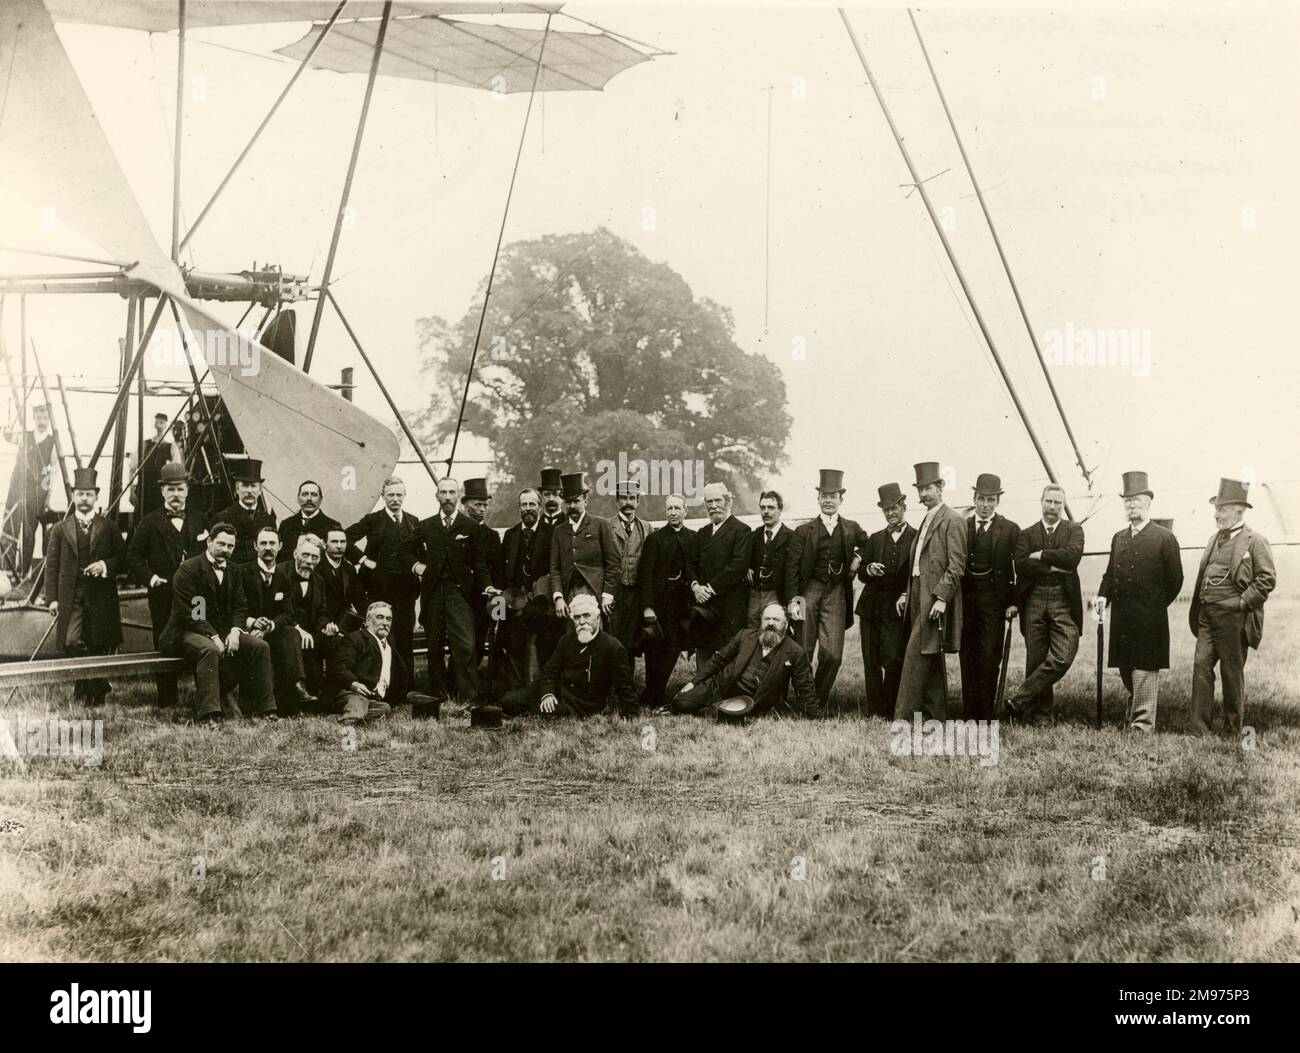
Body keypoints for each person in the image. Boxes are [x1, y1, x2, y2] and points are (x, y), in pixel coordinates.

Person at [1091, 472, 1183, 732]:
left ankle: (1142, 726)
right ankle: (1134, 716)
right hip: (1122, 617)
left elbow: (1175, 579)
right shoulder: (1118, 538)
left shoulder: (1164, 538)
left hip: (1149, 618)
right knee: (1126, 669)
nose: (1132, 505)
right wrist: (1100, 599)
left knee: (1145, 669)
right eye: (1128, 501)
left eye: (1137, 500)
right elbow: (1109, 574)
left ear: (1148, 503)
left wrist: (1154, 606)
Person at [159, 522, 278, 723]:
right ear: (209, 542)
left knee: (260, 646)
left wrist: (235, 631)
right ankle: (209, 715)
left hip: (222, 632)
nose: (225, 550)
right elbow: (193, 614)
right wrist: (213, 636)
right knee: (209, 650)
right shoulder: (189, 569)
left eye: (230, 546)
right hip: (186, 632)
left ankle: (267, 710)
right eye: (221, 544)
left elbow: (240, 606)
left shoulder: (234, 570)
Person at [1188, 478, 1277, 735]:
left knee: (1231, 671)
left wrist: (1241, 603)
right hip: (1207, 615)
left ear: (1239, 510)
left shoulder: (1255, 541)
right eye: (1216, 508)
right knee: (1201, 667)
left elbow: (1267, 579)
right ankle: (1199, 731)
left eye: (1222, 509)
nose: (1216, 514)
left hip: (1234, 618)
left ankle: (1231, 730)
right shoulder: (1213, 539)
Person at [126, 461, 210, 707]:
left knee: (201, 636)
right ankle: (167, 699)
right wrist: (150, 577)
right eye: (170, 489)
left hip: (197, 597)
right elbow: (132, 555)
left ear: (188, 490)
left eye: (180, 489)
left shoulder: (201, 519)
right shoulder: (149, 522)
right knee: (165, 642)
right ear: (162, 491)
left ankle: (204, 698)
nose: (175, 494)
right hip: (163, 596)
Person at [42, 467, 124, 705]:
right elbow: (52, 566)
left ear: (96, 496)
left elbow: (124, 558)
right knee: (71, 641)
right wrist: (52, 599)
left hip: (101, 595)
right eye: (80, 494)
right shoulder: (60, 529)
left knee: (98, 641)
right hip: (72, 594)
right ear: (73, 496)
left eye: (89, 494)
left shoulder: (109, 527)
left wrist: (105, 565)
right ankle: (99, 683)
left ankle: (90, 696)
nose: (84, 498)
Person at [786, 469, 866, 710]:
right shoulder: (804, 531)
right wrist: (793, 603)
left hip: (836, 592)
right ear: (818, 498)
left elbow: (870, 544)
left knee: (833, 654)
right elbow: (791, 570)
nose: (828, 500)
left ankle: (817, 698)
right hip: (808, 591)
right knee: (803, 650)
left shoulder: (851, 528)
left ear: (841, 499)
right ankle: (806, 701)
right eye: (824, 495)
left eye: (833, 496)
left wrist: (859, 557)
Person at [1005, 484, 1084, 724]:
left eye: (1057, 503)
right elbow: (1020, 564)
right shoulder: (1027, 534)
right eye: (1048, 501)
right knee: (1036, 657)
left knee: (1063, 655)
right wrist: (1052, 566)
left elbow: (1072, 557)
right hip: (1034, 597)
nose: (1052, 507)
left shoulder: (1074, 530)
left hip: (1063, 597)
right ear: (1041, 502)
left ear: (1063, 505)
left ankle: (1020, 700)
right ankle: (1039, 717)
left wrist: (1039, 555)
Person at [411, 476, 488, 717]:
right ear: (437, 496)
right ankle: (438, 698)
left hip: (459, 594)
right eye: (443, 492)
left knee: (465, 646)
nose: (447, 497)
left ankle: (468, 698)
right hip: (433, 594)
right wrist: (416, 566)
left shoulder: (470, 527)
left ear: (458, 497)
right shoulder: (425, 526)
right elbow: (404, 551)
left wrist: (487, 586)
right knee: (434, 647)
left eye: (451, 492)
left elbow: (480, 562)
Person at [895, 462, 967, 720]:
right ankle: (937, 715)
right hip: (916, 594)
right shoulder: (926, 518)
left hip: (932, 597)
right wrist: (907, 593)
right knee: (930, 654)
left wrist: (941, 598)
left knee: (915, 655)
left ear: (941, 487)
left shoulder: (954, 520)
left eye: (928, 488)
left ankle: (902, 718)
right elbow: (917, 564)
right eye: (920, 489)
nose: (923, 494)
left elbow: (957, 565)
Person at [499, 593, 637, 719]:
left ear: (597, 618)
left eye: (586, 616)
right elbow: (549, 671)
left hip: (580, 704)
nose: (582, 622)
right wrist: (548, 694)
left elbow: (625, 687)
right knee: (508, 700)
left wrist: (631, 714)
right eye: (577, 617)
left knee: (540, 712)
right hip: (559, 691)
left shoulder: (613, 647)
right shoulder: (566, 640)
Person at [671, 603, 821, 718]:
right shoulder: (745, 636)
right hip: (722, 686)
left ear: (786, 624)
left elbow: (804, 687)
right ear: (761, 621)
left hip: (750, 700)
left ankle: (715, 710)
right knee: (682, 703)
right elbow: (718, 660)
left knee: (732, 714)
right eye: (767, 618)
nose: (770, 623)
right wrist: (693, 682)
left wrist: (814, 715)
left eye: (776, 619)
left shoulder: (795, 651)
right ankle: (714, 708)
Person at [958, 473, 1020, 721]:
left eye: (991, 499)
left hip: (994, 603)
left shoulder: (1010, 529)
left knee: (988, 657)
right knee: (968, 656)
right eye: (981, 499)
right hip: (966, 602)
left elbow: (1019, 567)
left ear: (998, 501)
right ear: (974, 498)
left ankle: (984, 714)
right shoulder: (961, 525)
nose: (985, 504)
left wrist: (1014, 601)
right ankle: (968, 712)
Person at [345, 476, 422, 673]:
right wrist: (363, 560)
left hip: (405, 591)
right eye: (390, 495)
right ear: (383, 496)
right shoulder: (372, 520)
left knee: (404, 636)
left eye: (398, 494)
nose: (395, 499)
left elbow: (418, 552)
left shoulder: (413, 521)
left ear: (404, 496)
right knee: (381, 637)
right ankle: (383, 686)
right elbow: (344, 538)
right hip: (379, 588)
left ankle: (406, 687)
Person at [237, 526, 317, 715]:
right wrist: (251, 623)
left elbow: (288, 613)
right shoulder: (242, 572)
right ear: (255, 546)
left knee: (291, 632)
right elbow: (235, 607)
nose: (268, 548)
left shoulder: (283, 576)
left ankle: (298, 687)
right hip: (246, 630)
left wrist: (271, 625)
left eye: (272, 543)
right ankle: (267, 706)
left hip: (270, 631)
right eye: (263, 543)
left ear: (280, 546)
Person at [855, 482, 916, 719]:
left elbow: (915, 574)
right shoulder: (876, 538)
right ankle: (874, 710)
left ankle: (891, 708)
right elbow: (860, 572)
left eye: (895, 508)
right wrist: (869, 568)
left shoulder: (916, 537)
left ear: (904, 506)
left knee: (892, 658)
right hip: (871, 606)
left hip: (896, 608)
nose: (891, 513)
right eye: (886, 509)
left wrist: (904, 595)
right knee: (870, 660)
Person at [636, 493, 697, 709]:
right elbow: (646, 575)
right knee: (654, 651)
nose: (673, 513)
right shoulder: (655, 538)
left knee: (672, 649)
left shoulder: (693, 537)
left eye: (677, 508)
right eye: (669, 508)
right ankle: (652, 695)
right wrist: (648, 606)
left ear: (685, 511)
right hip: (659, 605)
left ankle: (656, 693)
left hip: (682, 606)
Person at [687, 482, 751, 666]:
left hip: (729, 605)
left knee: (728, 654)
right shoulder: (702, 532)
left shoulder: (741, 530)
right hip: (703, 604)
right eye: (709, 501)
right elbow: (690, 563)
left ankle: (726, 693)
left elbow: (737, 566)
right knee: (704, 651)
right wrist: (695, 587)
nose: (713, 506)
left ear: (728, 501)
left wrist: (710, 588)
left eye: (717, 500)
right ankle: (701, 691)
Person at [326, 602, 412, 726]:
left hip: (372, 699)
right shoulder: (355, 638)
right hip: (350, 692)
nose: (385, 622)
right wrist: (354, 684)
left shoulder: (390, 645)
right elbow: (338, 667)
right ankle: (346, 725)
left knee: (384, 708)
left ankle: (336, 719)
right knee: (359, 702)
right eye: (380, 617)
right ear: (368, 620)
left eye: (389, 619)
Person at [549, 472, 619, 618]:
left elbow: (613, 563)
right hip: (569, 592)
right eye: (568, 502)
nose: (572, 506)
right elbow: (555, 568)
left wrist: (607, 594)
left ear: (585, 501)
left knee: (593, 630)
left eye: (576, 501)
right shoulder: (559, 531)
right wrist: (558, 597)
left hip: (595, 591)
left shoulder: (600, 525)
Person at [500, 488, 550, 689]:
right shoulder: (511, 535)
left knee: (539, 641)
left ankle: (537, 686)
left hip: (539, 600)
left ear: (540, 507)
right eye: (524, 505)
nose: (528, 509)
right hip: (513, 600)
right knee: (510, 638)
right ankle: (515, 687)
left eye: (532, 504)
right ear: (519, 508)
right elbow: (504, 571)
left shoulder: (551, 532)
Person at [3, 403, 56, 572]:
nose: (42, 421)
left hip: (36, 490)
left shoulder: (52, 442)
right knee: (10, 525)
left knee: (29, 529)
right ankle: (6, 569)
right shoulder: (24, 436)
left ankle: (25, 571)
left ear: (49, 420)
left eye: (45, 418)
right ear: (33, 418)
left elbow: (51, 472)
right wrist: (7, 423)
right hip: (17, 485)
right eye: (39, 418)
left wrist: (46, 494)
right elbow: (7, 436)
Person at [280, 533, 332, 700]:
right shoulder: (280, 572)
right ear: (295, 554)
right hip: (286, 628)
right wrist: (298, 628)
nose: (309, 561)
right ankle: (298, 685)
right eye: (305, 555)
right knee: (294, 636)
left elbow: (322, 612)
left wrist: (326, 626)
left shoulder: (319, 580)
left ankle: (333, 691)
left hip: (311, 630)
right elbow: (277, 609)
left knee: (337, 640)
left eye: (315, 557)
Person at [459, 477, 505, 660]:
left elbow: (499, 572)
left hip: (485, 601)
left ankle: (482, 682)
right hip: (460, 599)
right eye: (478, 505)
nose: (482, 510)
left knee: (480, 643)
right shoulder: (456, 531)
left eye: (485, 505)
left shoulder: (492, 536)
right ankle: (454, 684)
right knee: (461, 644)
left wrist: (498, 606)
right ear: (465, 505)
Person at [607, 480, 651, 655]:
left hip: (636, 593)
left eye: (632, 498)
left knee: (632, 638)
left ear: (638, 501)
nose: (628, 503)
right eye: (624, 498)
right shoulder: (606, 526)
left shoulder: (647, 528)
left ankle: (627, 679)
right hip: (614, 591)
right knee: (613, 635)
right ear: (617, 501)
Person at [213, 458, 276, 565]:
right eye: (245, 485)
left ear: (260, 490)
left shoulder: (269, 520)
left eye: (253, 486)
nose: (249, 491)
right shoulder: (222, 517)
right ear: (237, 489)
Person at [747, 490, 792, 628]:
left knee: (774, 629)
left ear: (780, 510)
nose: (766, 512)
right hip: (755, 593)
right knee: (752, 627)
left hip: (777, 594)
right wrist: (746, 567)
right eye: (763, 508)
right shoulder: (753, 536)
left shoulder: (791, 537)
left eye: (771, 508)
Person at [277, 480, 342, 557]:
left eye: (314, 495)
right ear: (298, 499)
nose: (309, 499)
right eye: (305, 494)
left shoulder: (332, 526)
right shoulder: (286, 524)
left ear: (321, 500)